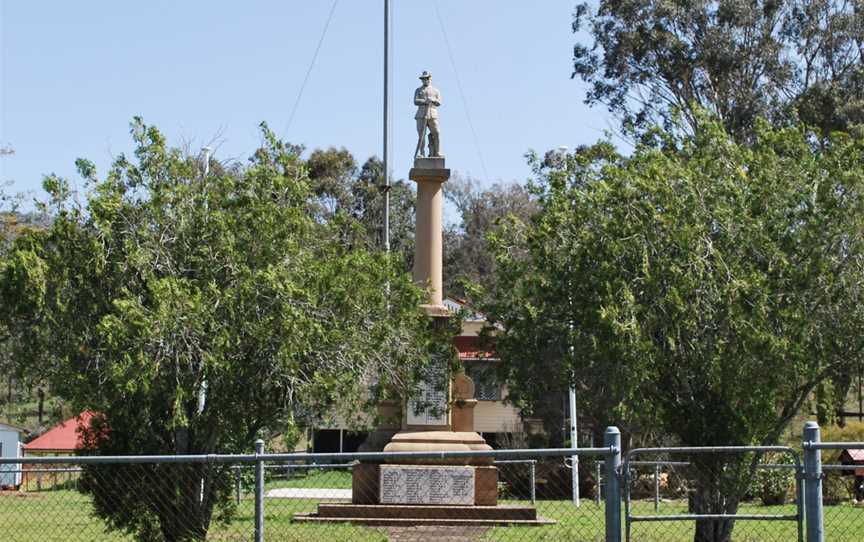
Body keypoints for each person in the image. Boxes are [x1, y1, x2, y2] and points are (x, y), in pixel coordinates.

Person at [414, 71, 442, 158]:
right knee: (421, 135)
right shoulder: (418, 90)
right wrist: (424, 101)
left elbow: (439, 102)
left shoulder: (435, 90)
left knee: (436, 132)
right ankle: (422, 153)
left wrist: (432, 100)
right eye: (423, 79)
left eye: (426, 78)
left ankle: (437, 152)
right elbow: (415, 101)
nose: (425, 80)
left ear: (430, 78)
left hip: (432, 114)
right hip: (421, 114)